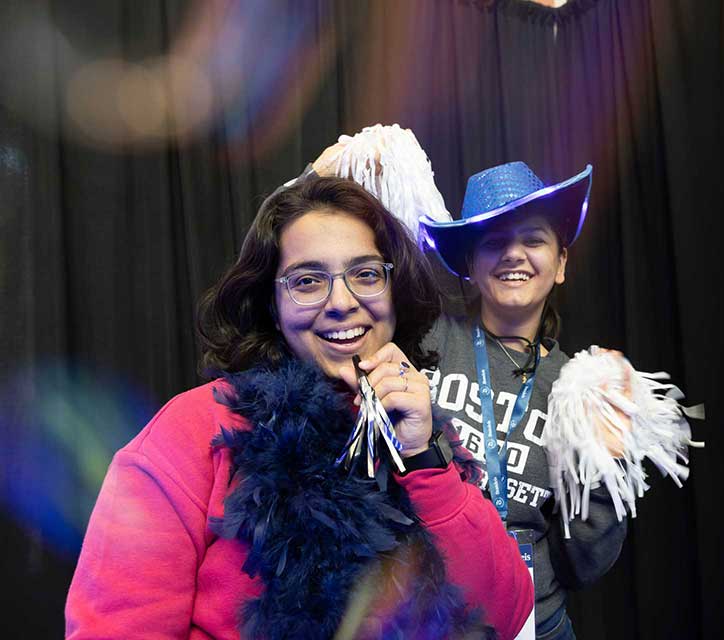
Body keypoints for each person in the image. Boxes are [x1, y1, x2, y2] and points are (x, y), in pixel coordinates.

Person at [64, 175, 534, 639]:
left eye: (365, 274)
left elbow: (504, 615)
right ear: (272, 304)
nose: (342, 303)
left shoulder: (425, 431)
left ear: (394, 291)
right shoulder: (190, 431)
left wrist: (423, 459)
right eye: (308, 281)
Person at [418, 162, 628, 640]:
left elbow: (585, 562)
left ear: (560, 264)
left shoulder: (581, 389)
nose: (514, 254)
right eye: (494, 242)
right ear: (469, 265)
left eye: (533, 240)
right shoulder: (426, 340)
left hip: (537, 625)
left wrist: (606, 468)